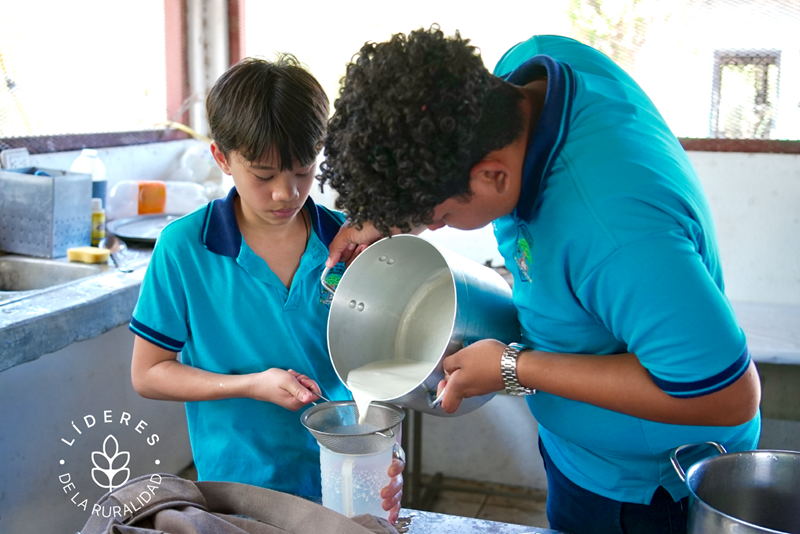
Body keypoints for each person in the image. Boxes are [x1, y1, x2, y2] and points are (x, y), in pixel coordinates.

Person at [318, 26, 761, 534]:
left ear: (493, 176)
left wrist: (514, 367)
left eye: (437, 216)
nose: (433, 227)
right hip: (579, 457)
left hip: (647, 490)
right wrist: (394, 212)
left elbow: (728, 395)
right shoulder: (528, 73)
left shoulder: (614, 231)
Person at [129, 55, 403, 521]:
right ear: (222, 158)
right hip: (238, 494)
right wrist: (251, 385)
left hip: (336, 485)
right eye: (263, 174)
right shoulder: (186, 249)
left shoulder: (347, 243)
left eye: (302, 171)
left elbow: (379, 369)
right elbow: (149, 373)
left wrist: (386, 453)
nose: (286, 193)